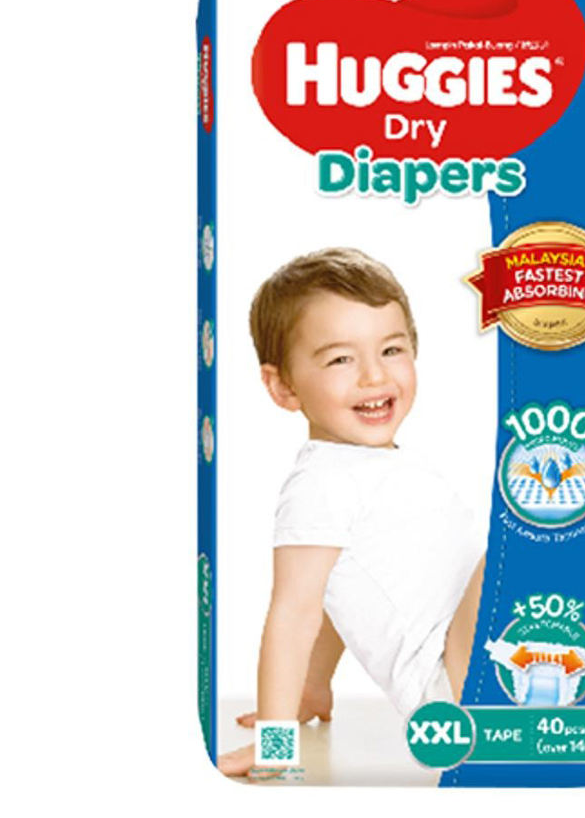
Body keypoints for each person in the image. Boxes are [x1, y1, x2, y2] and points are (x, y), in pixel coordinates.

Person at [218, 248, 485, 779]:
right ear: (283, 386)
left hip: (487, 665)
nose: (374, 376)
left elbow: (338, 592)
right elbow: (294, 613)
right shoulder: (321, 483)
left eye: (391, 349)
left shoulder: (378, 466)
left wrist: (313, 688)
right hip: (452, 699)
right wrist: (276, 742)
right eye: (341, 359)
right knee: (519, 537)